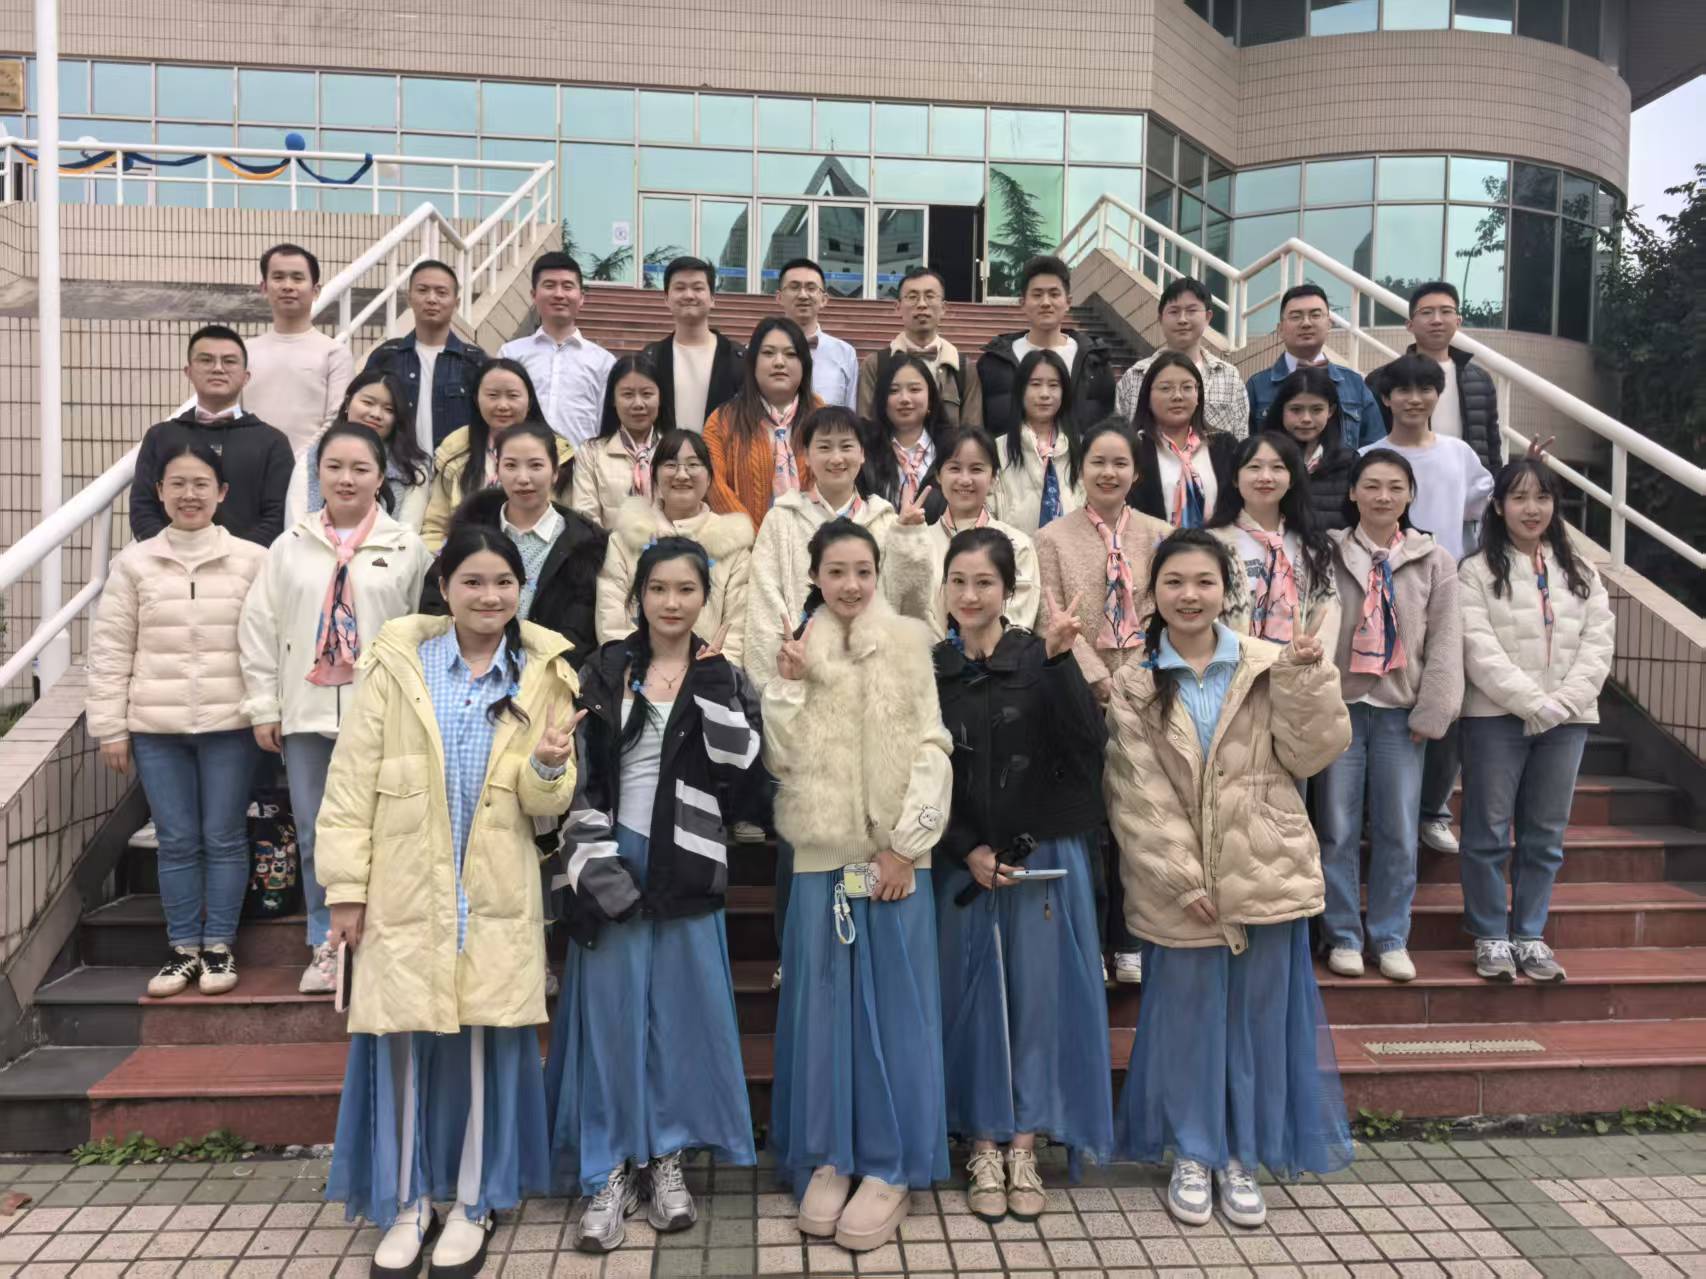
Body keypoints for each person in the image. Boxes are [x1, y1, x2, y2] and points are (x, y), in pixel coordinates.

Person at [317, 525, 579, 1279]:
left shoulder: (544, 672)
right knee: (403, 1043)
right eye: (473, 581)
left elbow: (546, 806)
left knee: (482, 1045)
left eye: (503, 582)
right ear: (444, 588)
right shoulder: (397, 664)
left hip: (491, 887)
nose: (489, 596)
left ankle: (471, 1201)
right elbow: (350, 780)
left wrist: (549, 766)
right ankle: (408, 1202)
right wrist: (345, 890)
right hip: (405, 883)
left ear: (520, 590)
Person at [1106, 529, 1354, 1229]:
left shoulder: (1270, 663)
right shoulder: (1134, 681)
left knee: (1257, 1023)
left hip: (1264, 871)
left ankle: (1241, 1155)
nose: (1189, 595)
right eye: (1174, 582)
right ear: (1154, 592)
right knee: (1186, 1021)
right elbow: (1136, 791)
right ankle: (1194, 1150)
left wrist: (1307, 678)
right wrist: (1185, 878)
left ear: (1227, 590)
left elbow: (1312, 754)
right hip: (1179, 889)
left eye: (1204, 582)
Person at [548, 537, 765, 1250]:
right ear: (638, 595)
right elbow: (580, 773)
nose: (672, 603)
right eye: (659, 589)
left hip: (689, 860)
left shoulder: (723, 674)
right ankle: (608, 1167)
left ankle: (666, 1156)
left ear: (705, 598)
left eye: (686, 590)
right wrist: (596, 864)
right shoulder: (605, 667)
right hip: (611, 854)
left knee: (679, 1015)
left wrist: (714, 686)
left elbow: (742, 772)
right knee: (611, 1018)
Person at [763, 519, 952, 1252]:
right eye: (835, 571)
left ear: (878, 574)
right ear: (815, 576)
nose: (849, 584)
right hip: (821, 859)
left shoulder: (908, 641)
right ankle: (829, 1153)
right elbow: (781, 760)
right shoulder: (796, 646)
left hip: (897, 862)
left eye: (862, 571)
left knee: (898, 1014)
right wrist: (787, 685)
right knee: (822, 1013)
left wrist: (906, 847)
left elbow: (933, 744)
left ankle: (890, 1162)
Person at [933, 528, 1113, 1221]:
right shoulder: (931, 667)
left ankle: (1025, 1143)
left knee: (1037, 1001)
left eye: (984, 581)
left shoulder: (1041, 657)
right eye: (958, 581)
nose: (970, 594)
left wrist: (1064, 662)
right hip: (965, 865)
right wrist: (966, 848)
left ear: (1009, 590)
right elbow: (918, 773)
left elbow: (1086, 748)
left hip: (1040, 861)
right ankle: (982, 1141)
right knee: (971, 998)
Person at [238, 422, 434, 995]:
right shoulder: (290, 546)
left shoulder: (407, 548)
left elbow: (427, 633)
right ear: (318, 473)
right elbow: (260, 627)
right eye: (335, 467)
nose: (347, 479)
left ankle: (383, 942)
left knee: (388, 833)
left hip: (385, 716)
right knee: (316, 832)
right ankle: (326, 944)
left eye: (360, 468)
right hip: (307, 714)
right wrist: (264, 705)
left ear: (380, 477)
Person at [88, 444, 267, 999]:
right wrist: (111, 728)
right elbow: (111, 648)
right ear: (160, 493)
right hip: (156, 730)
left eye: (201, 484)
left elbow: (268, 643)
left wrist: (268, 710)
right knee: (177, 840)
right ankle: (183, 948)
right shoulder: (134, 563)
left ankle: (219, 947)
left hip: (231, 725)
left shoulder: (253, 560)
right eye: (178, 484)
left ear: (222, 493)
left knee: (224, 837)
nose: (190, 494)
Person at [1458, 460, 1613, 983]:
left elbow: (1599, 643)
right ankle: (1490, 935)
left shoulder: (1581, 570)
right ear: (1499, 506)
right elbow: (1477, 647)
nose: (1532, 509)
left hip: (1567, 722)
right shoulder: (1475, 571)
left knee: (1545, 835)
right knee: (1487, 832)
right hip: (1495, 718)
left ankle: (1529, 934)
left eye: (1542, 498)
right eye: (1520, 498)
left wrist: (1563, 703)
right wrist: (1532, 701)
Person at [1035, 418, 1177, 986]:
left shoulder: (1160, 535)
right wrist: (1098, 681)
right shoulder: (1051, 538)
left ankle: (1132, 940)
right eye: (1098, 461)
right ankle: (1092, 941)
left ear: (1136, 473)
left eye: (1120, 463)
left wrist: (1138, 679)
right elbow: (1050, 618)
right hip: (1080, 701)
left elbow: (1171, 612)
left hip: (1149, 695)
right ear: (1081, 469)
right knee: (1090, 823)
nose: (1109, 472)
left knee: (1140, 824)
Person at [1316, 449, 1463, 984]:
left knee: (1399, 828)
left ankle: (1391, 935)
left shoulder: (1434, 559)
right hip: (1341, 708)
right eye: (1372, 486)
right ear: (1352, 492)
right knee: (1336, 826)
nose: (1383, 496)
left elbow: (1446, 641)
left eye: (1396, 487)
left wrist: (1434, 710)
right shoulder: (1327, 552)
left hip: (1402, 713)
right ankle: (1342, 935)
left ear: (1410, 496)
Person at [1361, 352, 1494, 858]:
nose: (1414, 399)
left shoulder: (1459, 454)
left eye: (1425, 390)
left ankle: (1433, 811)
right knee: (1377, 707)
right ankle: (1379, 813)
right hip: (1379, 591)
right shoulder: (1367, 454)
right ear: (1387, 397)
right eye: (1403, 390)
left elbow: (1483, 506)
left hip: (1444, 589)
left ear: (1439, 396)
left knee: (1446, 701)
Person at [420, 419, 608, 667]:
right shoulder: (471, 529)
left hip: (549, 673)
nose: (523, 478)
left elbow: (581, 631)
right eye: (510, 465)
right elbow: (436, 601)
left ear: (555, 472)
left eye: (536, 465)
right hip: (465, 667)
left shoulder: (583, 544)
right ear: (497, 470)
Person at [743, 407, 896, 694]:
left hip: (871, 681)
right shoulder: (782, 518)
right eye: (824, 447)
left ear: (862, 454)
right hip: (798, 679)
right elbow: (764, 605)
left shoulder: (885, 521)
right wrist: (778, 684)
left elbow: (898, 600)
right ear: (806, 456)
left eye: (846, 447)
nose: (836, 458)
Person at [596, 430, 754, 665]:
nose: (681, 475)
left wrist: (713, 668)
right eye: (670, 465)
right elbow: (611, 620)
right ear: (654, 475)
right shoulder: (626, 538)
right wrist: (635, 668)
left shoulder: (732, 545)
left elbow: (737, 626)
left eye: (693, 465)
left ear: (709, 477)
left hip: (709, 673)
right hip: (636, 672)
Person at [130, 325, 295, 548]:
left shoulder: (273, 442)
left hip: (248, 565)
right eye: (206, 360)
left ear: (246, 376)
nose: (218, 368)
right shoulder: (159, 436)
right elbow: (142, 509)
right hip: (167, 563)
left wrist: (234, 559)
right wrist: (174, 555)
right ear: (188, 372)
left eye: (229, 361)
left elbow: (277, 516)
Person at [883, 426, 1040, 639]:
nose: (965, 480)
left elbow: (1018, 622)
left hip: (999, 659)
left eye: (976, 469)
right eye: (955, 468)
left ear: (994, 477)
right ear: (938, 475)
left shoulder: (1017, 545)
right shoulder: (918, 541)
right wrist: (903, 540)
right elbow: (897, 609)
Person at [421, 358, 573, 552]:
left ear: (529, 401)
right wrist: (442, 560)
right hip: (466, 561)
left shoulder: (558, 452)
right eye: (492, 395)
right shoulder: (455, 448)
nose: (502, 405)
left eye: (513, 395)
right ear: (476, 399)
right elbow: (435, 527)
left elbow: (572, 522)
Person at [1208, 432, 1340, 644]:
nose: (1265, 477)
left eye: (1277, 467)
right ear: (1235, 478)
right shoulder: (1211, 544)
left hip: (1300, 662)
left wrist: (1307, 655)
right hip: (1232, 661)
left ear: (1291, 479)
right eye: (1254, 467)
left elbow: (1327, 616)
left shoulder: (1312, 545)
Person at [1367, 281, 1503, 473]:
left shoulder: (1480, 380)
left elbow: (1492, 448)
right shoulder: (1381, 379)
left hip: (1466, 484)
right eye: (1426, 312)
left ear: (1458, 321)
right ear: (1410, 325)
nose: (1437, 320)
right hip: (1404, 482)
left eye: (1446, 311)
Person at [702, 317, 822, 531]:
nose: (779, 362)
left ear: (804, 364)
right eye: (768, 353)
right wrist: (755, 538)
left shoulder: (823, 417)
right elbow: (713, 484)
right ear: (752, 363)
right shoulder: (722, 421)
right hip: (744, 545)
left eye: (791, 354)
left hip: (814, 542)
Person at [978, 256, 1116, 436]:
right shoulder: (994, 363)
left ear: (1068, 302)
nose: (1045, 303)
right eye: (1037, 295)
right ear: (1022, 303)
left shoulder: (1096, 362)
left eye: (1054, 294)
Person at [362, 260, 488, 454]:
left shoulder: (475, 361)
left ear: (456, 303)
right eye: (422, 290)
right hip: (396, 467)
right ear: (409, 298)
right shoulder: (386, 356)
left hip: (456, 469)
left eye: (441, 292)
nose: (431, 299)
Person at [286, 371, 434, 531]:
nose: (376, 414)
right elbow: (295, 528)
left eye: (389, 409)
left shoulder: (413, 468)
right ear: (348, 403)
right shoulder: (312, 457)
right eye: (368, 403)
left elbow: (408, 533)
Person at [243, 243, 355, 451]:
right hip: (251, 465)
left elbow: (336, 420)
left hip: (309, 467)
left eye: (297, 278)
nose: (287, 286)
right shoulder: (244, 352)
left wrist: (301, 464)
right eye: (278, 277)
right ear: (264, 288)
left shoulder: (335, 354)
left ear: (315, 291)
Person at [1245, 284, 1385, 450]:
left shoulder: (1354, 384)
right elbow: (1247, 449)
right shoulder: (1257, 386)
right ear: (1280, 329)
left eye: (1315, 315)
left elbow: (1375, 448)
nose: (1306, 323)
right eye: (1296, 316)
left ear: (1329, 324)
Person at [500, 252, 616, 449]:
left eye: (567, 286)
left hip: (582, 465)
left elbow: (607, 424)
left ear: (581, 297)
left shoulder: (604, 361)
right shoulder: (510, 354)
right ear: (534, 295)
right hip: (522, 462)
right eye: (549, 285)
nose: (559, 294)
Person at [1115, 278, 1248, 439]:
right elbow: (1119, 438)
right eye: (1174, 312)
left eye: (1191, 311)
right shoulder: (1135, 376)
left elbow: (1241, 439)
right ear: (1160, 319)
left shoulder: (1229, 376)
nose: (1182, 319)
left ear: (1207, 317)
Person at [856, 265, 983, 427]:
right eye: (912, 297)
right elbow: (866, 428)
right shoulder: (875, 365)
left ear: (944, 307)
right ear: (898, 307)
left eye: (930, 296)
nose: (922, 304)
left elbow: (972, 431)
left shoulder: (963, 368)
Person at [1129, 352, 1239, 528]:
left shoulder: (1225, 446)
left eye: (1187, 387)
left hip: (1218, 544)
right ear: (1147, 397)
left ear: (1198, 395)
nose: (1177, 396)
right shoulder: (1133, 448)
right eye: (1166, 388)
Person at [641, 257, 745, 434]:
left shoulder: (737, 358)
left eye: (698, 288)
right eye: (680, 288)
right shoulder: (650, 358)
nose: (689, 295)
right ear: (666, 298)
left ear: (712, 298)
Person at [987, 349, 1085, 537]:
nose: (1044, 394)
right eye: (1035, 384)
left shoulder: (1082, 449)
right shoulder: (997, 450)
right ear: (1020, 390)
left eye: (1053, 385)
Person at [570, 354, 669, 529]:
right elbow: (585, 517)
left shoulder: (674, 450)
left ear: (660, 398)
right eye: (627, 395)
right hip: (608, 546)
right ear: (613, 400)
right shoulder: (591, 453)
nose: (638, 404)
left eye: (647, 394)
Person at [1261, 366, 1355, 532]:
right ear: (1282, 409)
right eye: (1296, 410)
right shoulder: (1259, 459)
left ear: (1330, 411)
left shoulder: (1349, 462)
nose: (1306, 419)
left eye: (1317, 410)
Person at [859, 353, 950, 516]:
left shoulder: (950, 448)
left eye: (914, 389)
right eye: (893, 391)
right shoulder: (865, 450)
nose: (904, 399)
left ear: (930, 398)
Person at [776, 258, 858, 410]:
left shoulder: (845, 353)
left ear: (824, 299)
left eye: (811, 288)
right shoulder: (758, 351)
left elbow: (850, 414)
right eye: (794, 287)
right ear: (779, 297)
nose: (803, 295)